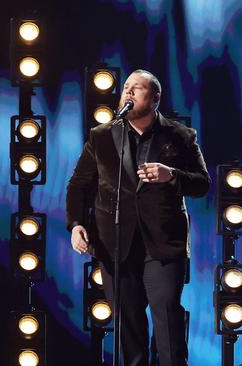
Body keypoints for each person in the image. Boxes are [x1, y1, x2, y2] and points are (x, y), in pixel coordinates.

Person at [65, 70, 210, 365]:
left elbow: (202, 183)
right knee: (127, 325)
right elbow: (79, 184)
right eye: (126, 88)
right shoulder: (102, 135)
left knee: (167, 315)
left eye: (137, 88)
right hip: (116, 243)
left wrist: (172, 176)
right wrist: (77, 224)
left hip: (162, 246)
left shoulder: (180, 136)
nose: (128, 93)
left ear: (155, 98)